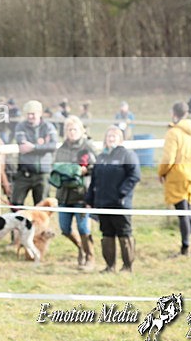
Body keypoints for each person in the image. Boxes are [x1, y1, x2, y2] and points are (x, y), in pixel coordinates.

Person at [85, 125, 141, 273]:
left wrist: (121, 193)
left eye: (114, 136)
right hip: (102, 203)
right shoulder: (101, 157)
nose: (110, 139)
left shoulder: (127, 155)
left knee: (124, 233)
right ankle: (110, 266)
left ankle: (127, 266)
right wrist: (89, 200)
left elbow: (134, 175)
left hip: (120, 204)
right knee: (107, 234)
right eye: (108, 136)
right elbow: (94, 180)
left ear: (120, 139)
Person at [157, 102, 191, 258]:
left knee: (183, 213)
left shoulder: (173, 133)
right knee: (186, 212)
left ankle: (185, 248)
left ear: (174, 113)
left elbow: (169, 158)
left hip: (177, 176)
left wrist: (161, 172)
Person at [51, 116, 96, 269]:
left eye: (75, 129)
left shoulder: (87, 147)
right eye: (69, 129)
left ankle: (90, 257)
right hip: (64, 194)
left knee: (83, 228)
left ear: (81, 130)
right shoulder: (61, 149)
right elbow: (55, 166)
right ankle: (80, 247)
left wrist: (85, 170)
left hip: (82, 194)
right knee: (65, 228)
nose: (72, 132)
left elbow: (96, 166)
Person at [11, 100, 58, 207]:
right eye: (28, 114)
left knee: (42, 206)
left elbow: (53, 146)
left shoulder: (48, 127)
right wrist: (42, 144)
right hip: (24, 173)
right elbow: (23, 146)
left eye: (33, 114)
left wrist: (34, 147)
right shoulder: (20, 126)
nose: (30, 116)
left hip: (43, 173)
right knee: (16, 204)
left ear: (40, 113)